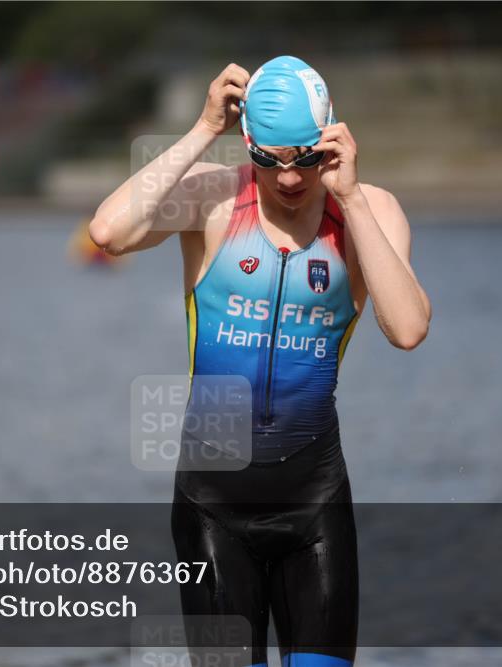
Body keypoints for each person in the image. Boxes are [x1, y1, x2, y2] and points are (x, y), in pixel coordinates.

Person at [89, 55, 430, 667]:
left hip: (314, 504)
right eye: (270, 159)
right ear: (248, 144)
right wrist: (200, 131)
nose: (290, 178)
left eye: (304, 157)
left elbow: (407, 329)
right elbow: (108, 232)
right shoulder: (216, 200)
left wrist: (348, 198)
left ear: (330, 138)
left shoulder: (370, 211)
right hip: (212, 508)